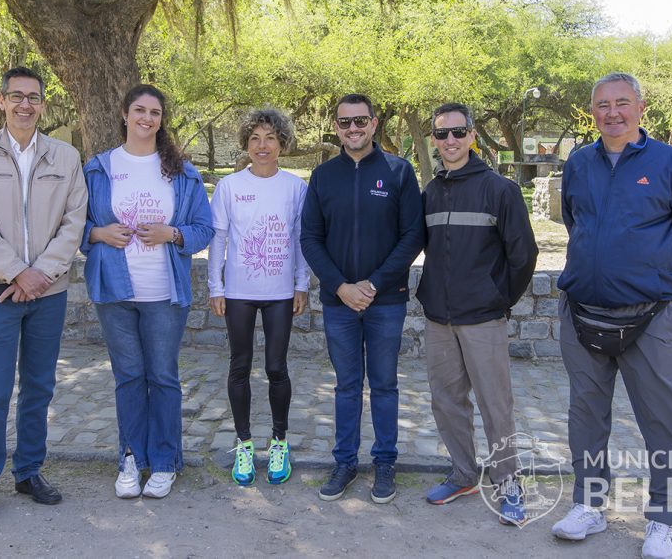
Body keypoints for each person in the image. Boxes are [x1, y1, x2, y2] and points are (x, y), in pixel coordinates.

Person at [552, 73, 672, 559]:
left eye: (623, 103)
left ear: (641, 108)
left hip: (651, 318)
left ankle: (664, 519)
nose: (612, 113)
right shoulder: (578, 164)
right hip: (582, 313)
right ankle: (589, 505)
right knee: (586, 417)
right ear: (592, 111)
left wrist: (653, 280)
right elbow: (574, 222)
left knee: (665, 420)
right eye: (603, 105)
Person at [0, 66, 87, 524]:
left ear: (43, 105)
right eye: (17, 96)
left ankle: (29, 471)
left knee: (39, 388)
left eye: (33, 98)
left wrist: (41, 275)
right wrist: (16, 273)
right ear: (1, 100)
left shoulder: (66, 158)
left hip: (49, 293)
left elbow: (74, 224)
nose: (25, 105)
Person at [80, 84, 213, 500]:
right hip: (115, 290)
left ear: (161, 119)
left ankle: (166, 461)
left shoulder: (181, 172)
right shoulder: (99, 169)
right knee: (129, 377)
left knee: (162, 376)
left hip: (163, 293)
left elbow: (204, 229)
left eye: (154, 112)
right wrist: (99, 233)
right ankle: (131, 458)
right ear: (124, 114)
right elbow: (73, 226)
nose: (146, 118)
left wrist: (172, 233)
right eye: (139, 110)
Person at [415, 102, 538, 525]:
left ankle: (509, 485)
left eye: (457, 132)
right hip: (438, 319)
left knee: (495, 405)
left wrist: (498, 299)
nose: (449, 140)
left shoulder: (498, 189)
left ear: (471, 135)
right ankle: (465, 473)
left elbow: (524, 254)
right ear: (434, 139)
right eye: (441, 133)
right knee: (446, 402)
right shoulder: (430, 192)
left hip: (483, 318)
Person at [301, 93, 425, 504]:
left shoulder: (398, 171)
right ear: (335, 127)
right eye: (344, 123)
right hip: (339, 304)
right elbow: (310, 239)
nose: (352, 129)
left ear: (373, 124)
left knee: (385, 384)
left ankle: (385, 462)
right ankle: (345, 462)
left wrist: (371, 285)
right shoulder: (323, 177)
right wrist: (340, 287)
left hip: (385, 302)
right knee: (347, 386)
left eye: (360, 122)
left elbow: (413, 237)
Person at [207, 109, 309, 486]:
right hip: (238, 292)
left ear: (282, 143)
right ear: (245, 144)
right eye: (254, 139)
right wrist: (215, 287)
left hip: (281, 293)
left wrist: (302, 284)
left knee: (276, 368)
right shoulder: (230, 186)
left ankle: (280, 440)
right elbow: (218, 238)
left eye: (269, 138)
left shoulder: (296, 188)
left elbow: (301, 239)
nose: (262, 146)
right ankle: (244, 443)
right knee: (239, 366)